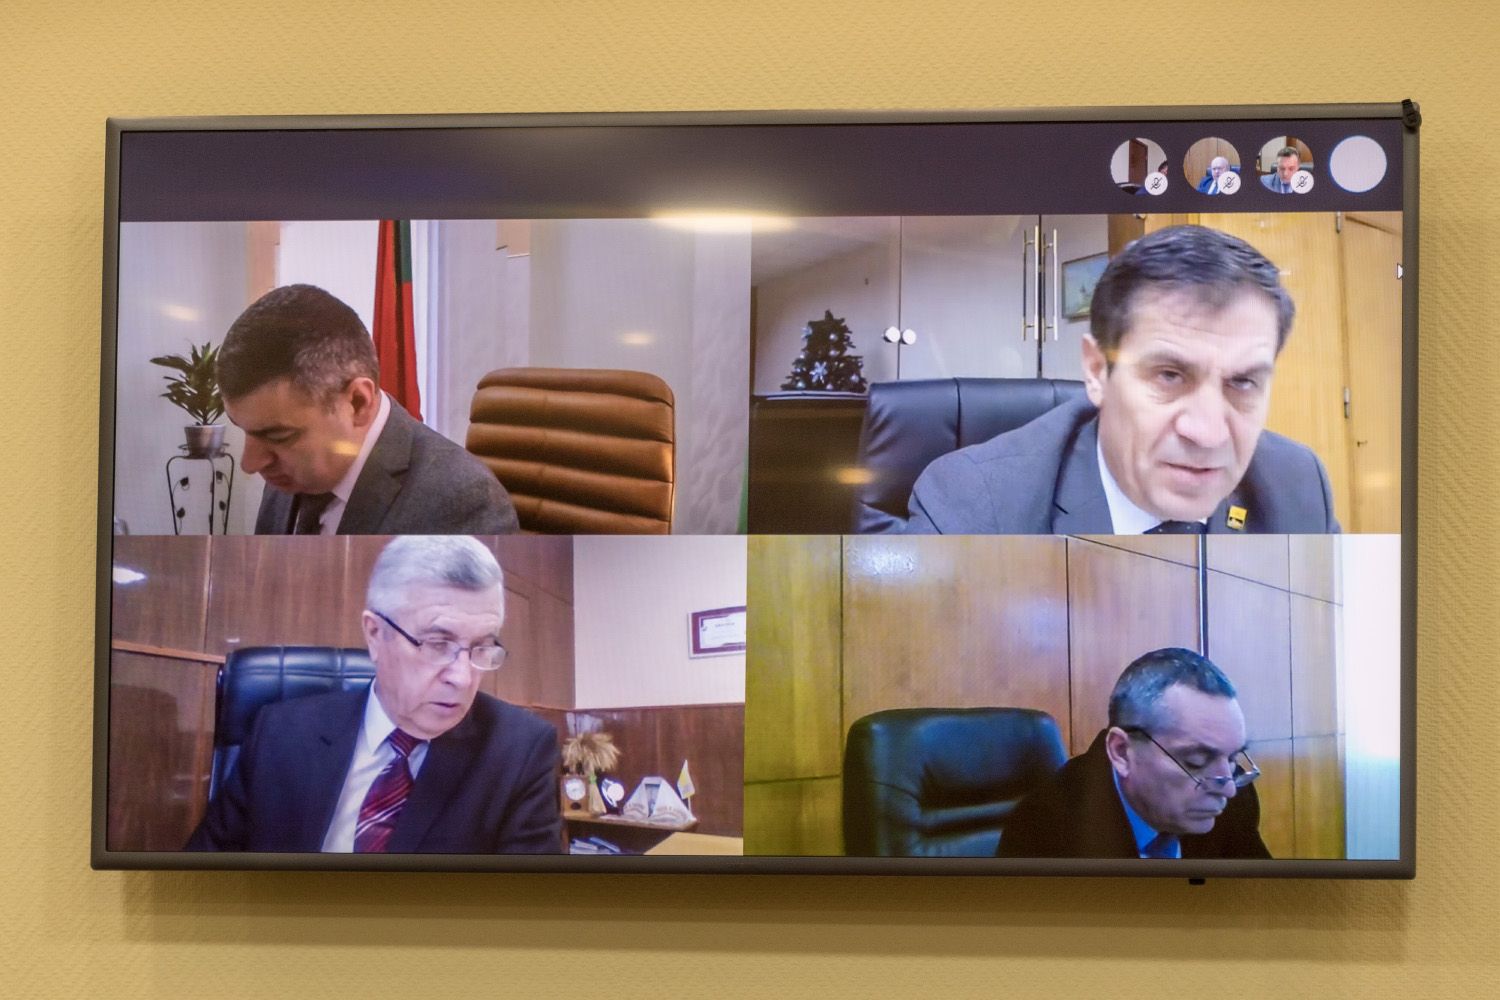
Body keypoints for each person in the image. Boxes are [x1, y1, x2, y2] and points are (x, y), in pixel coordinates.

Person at [901, 225, 1338, 534]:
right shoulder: (975, 507)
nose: (1208, 434)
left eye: (1242, 383)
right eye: (1169, 375)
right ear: (1096, 371)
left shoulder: (1297, 487)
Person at [186, 535, 561, 853]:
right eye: (437, 643)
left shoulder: (520, 752)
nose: (462, 678)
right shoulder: (280, 732)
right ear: (376, 634)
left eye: (482, 647)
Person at [216, 283, 519, 534]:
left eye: (279, 436)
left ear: (358, 403)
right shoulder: (287, 472)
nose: (250, 463)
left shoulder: (463, 504)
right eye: (245, 431)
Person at [998, 647, 1271, 860]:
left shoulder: (1232, 793)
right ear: (1121, 752)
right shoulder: (1045, 829)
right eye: (1195, 762)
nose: (1228, 789)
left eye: (1233, 758)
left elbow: (1260, 899)